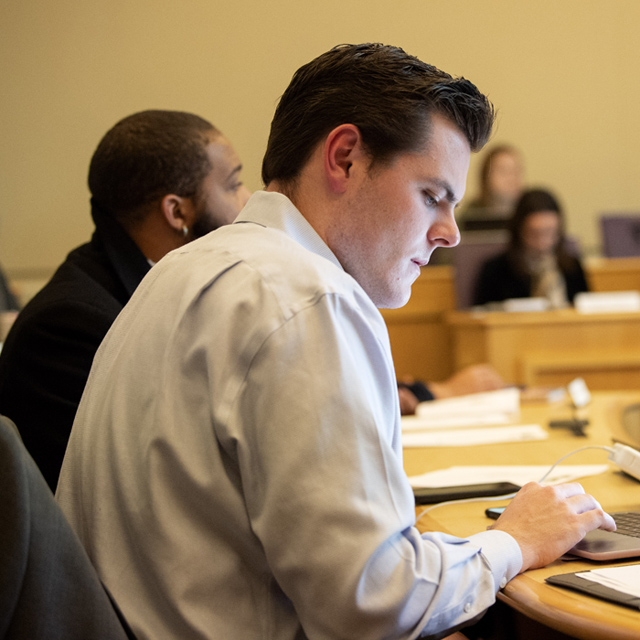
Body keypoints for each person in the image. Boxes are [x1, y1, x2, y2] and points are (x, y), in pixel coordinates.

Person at [56, 44, 614, 640]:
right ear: (344, 157)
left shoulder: (178, 271)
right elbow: (374, 608)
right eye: (432, 196)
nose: (449, 233)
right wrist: (514, 540)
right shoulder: (310, 298)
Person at [0, 110, 250, 491]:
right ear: (176, 211)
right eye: (234, 185)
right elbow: (143, 486)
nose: (247, 204)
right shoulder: (68, 325)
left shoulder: (158, 286)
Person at [474, 188, 589, 307]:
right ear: (519, 231)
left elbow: (586, 309)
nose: (542, 243)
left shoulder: (572, 267)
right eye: (534, 234)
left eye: (550, 232)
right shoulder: (496, 270)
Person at [458, 144, 524, 231]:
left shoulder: (530, 216)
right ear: (485, 177)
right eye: (503, 171)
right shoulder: (470, 217)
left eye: (516, 171)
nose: (512, 178)